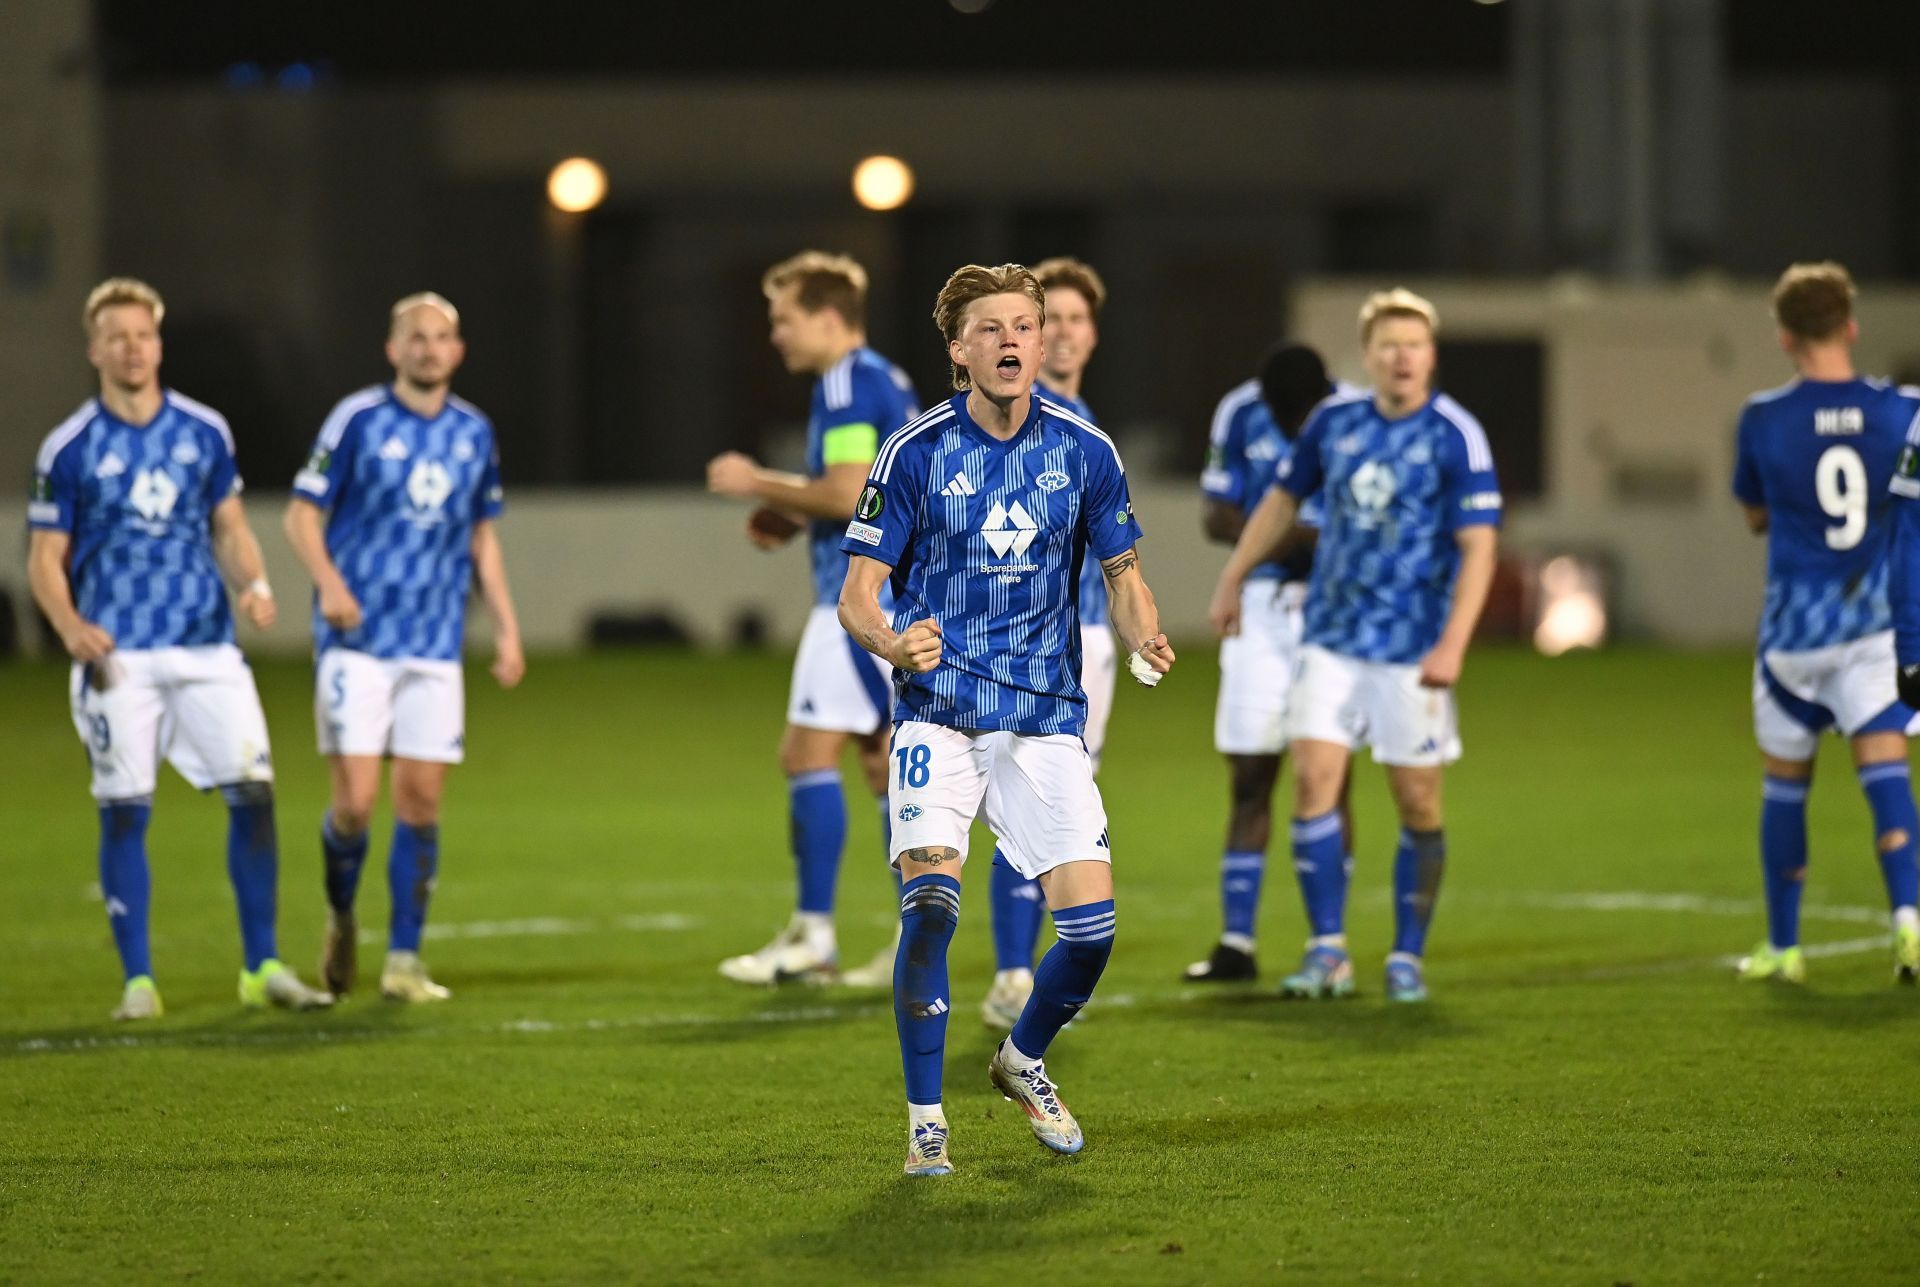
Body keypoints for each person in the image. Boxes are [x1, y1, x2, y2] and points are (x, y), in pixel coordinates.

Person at [839, 262, 1174, 1176]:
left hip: (1042, 720)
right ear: (959, 349)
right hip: (940, 720)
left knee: (1093, 930)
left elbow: (1122, 574)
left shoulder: (1085, 449)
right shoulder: (911, 453)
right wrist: (891, 642)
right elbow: (857, 596)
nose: (1013, 341)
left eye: (1023, 326)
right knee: (933, 906)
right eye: (990, 329)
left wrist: (1144, 631)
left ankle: (1022, 1059)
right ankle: (923, 1121)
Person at [27, 276, 333, 1019]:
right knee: (125, 810)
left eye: (144, 334)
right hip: (118, 656)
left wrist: (253, 582)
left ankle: (261, 966)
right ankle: (139, 982)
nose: (133, 348)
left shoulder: (204, 431)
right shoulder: (70, 445)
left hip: (205, 646)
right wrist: (70, 627)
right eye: (118, 336)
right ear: (95, 348)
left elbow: (228, 526)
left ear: (159, 344)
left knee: (253, 796)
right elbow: (43, 556)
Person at [1208, 288, 1500, 1004]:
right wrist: (1234, 576)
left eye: (1415, 345)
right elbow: (1278, 500)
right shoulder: (1333, 424)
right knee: (1313, 783)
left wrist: (1454, 644)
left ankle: (1406, 953)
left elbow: (1479, 548)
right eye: (1389, 345)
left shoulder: (1455, 433)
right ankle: (1328, 949)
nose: (1402, 358)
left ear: (1431, 356)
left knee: (1418, 801)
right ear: (1367, 356)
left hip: (1411, 648)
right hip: (1331, 638)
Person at [284, 291, 525, 1003]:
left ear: (458, 350)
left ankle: (404, 958)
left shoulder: (474, 432)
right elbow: (303, 516)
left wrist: (507, 626)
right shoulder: (357, 419)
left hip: (433, 643)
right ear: (393, 349)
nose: (428, 347)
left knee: (419, 800)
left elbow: (483, 537)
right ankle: (340, 910)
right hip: (356, 640)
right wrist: (328, 582)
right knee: (355, 803)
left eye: (441, 336)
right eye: (415, 337)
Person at [707, 251, 920, 986]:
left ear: (829, 319)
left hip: (859, 600)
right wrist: (794, 512)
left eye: (785, 319)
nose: (776, 334)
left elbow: (847, 490)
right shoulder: (884, 378)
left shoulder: (847, 382)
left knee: (805, 755)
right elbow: (871, 492)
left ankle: (812, 936)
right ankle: (911, 938)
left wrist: (754, 482)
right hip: (895, 589)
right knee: (884, 763)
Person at [1735, 262, 1920, 983]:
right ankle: (1908, 922)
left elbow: (1755, 515)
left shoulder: (1762, 418)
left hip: (1791, 638)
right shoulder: (1902, 411)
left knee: (1785, 782)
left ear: (1784, 336)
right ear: (1850, 325)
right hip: (1871, 626)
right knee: (1884, 769)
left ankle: (1784, 948)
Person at [1185, 343, 1355, 983]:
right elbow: (1216, 513)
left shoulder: (1352, 414)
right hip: (1258, 606)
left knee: (1331, 774)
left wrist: (1267, 536)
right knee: (1250, 771)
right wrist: (1293, 539)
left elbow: (1357, 524)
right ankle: (1236, 944)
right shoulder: (1239, 412)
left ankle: (1327, 944)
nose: (1292, 431)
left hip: (1332, 607)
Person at [979, 255, 1109, 1028]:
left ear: (1091, 335)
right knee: (1015, 792)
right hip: (1012, 639)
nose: (1058, 332)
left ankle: (1034, 965)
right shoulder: (1001, 413)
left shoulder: (1081, 421)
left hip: (1083, 635)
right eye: (1044, 318)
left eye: (1071, 319)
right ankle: (1011, 969)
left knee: (1061, 798)